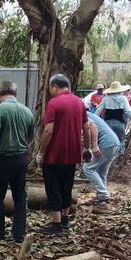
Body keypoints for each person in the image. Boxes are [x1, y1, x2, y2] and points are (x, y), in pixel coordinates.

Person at [0, 81, 34, 243]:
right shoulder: (27, 112)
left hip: (2, 160)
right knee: (20, 198)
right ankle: (18, 235)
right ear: (15, 94)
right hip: (21, 159)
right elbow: (30, 137)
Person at [37, 74, 91, 235]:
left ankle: (56, 224)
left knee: (53, 188)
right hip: (72, 154)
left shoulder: (54, 103)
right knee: (67, 187)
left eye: (50, 88)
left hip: (54, 155)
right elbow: (86, 127)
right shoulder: (79, 103)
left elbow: (48, 130)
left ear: (55, 87)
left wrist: (40, 152)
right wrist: (86, 148)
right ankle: (66, 219)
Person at [83, 112, 120, 204]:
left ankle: (103, 195)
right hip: (114, 143)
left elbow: (93, 126)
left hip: (106, 143)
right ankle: (102, 199)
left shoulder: (81, 113)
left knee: (88, 168)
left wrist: (94, 146)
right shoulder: (88, 113)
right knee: (101, 172)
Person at [95, 81, 131, 149]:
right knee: (120, 141)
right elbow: (128, 111)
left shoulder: (106, 98)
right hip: (120, 123)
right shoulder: (123, 99)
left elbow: (98, 111)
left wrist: (94, 119)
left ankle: (109, 156)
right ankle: (119, 157)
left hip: (108, 123)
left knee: (109, 140)